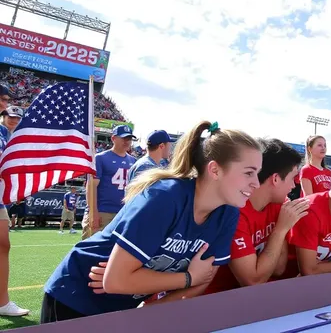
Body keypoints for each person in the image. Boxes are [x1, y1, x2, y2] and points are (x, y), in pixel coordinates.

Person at [40, 121, 260, 322]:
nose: (256, 184)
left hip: (122, 307)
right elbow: (116, 281)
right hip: (76, 293)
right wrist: (187, 277)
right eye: (249, 173)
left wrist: (142, 315)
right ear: (215, 169)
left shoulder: (229, 212)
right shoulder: (165, 198)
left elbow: (202, 283)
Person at [203, 139, 308, 294]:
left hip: (250, 297)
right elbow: (252, 281)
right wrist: (280, 230)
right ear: (276, 179)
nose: (294, 185)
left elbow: (278, 269)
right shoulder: (235, 212)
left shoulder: (278, 206)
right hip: (217, 299)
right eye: (293, 178)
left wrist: (281, 230)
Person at [0, 87, 29, 317]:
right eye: (2, 100)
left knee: (3, 244)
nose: (4, 103)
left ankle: (2, 301)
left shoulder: (9, 137)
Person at [82, 125, 138, 239]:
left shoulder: (133, 161)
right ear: (113, 138)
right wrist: (93, 212)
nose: (127, 141)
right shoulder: (101, 158)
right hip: (103, 212)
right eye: (124, 138)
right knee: (93, 250)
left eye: (129, 139)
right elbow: (91, 186)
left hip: (123, 213)